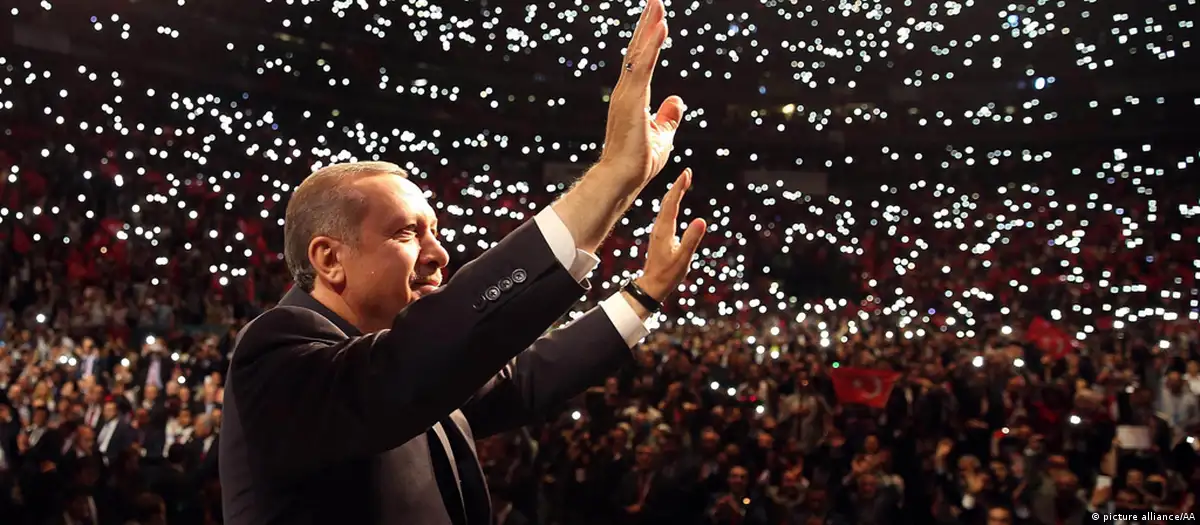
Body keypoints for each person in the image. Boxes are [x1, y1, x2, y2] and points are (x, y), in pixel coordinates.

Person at [218, 1, 705, 524]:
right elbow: (412, 362)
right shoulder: (276, 354)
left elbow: (525, 380)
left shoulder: (415, 366)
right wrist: (610, 176)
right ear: (330, 259)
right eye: (408, 232)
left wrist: (645, 291)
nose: (439, 253)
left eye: (434, 230)